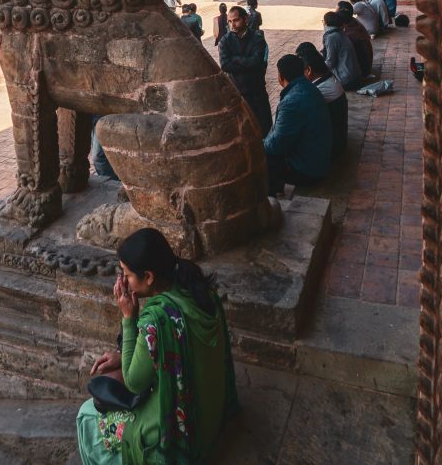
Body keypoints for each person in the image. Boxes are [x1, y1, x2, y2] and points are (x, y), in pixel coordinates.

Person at [77, 228, 238, 464]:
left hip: (182, 435)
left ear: (149, 277)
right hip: (210, 419)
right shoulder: (202, 291)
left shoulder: (157, 320)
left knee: (87, 415)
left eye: (127, 274)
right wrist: (123, 354)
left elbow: (134, 381)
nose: (124, 281)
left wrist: (129, 318)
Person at [263, 54, 332, 194]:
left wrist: (260, 144)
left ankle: (271, 196)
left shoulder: (291, 102)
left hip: (307, 171)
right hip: (319, 161)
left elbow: (277, 145)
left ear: (280, 77)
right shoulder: (310, 88)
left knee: (262, 156)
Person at [218, 6, 272, 134]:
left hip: (257, 93)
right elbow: (225, 65)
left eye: (236, 20)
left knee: (264, 130)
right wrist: (247, 61)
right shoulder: (225, 41)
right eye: (230, 21)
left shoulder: (257, 38)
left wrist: (235, 59)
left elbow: (257, 62)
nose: (233, 25)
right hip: (238, 94)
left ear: (245, 19)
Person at [296, 42, 348, 158]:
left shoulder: (318, 90)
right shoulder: (328, 77)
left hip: (331, 147)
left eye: (301, 71)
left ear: (309, 70)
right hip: (338, 139)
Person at [321, 11, 362, 90]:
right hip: (355, 77)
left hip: (346, 81)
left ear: (326, 23)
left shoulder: (331, 37)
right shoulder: (339, 32)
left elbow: (330, 63)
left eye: (323, 21)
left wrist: (318, 69)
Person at [336, 1, 373, 77]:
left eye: (336, 11)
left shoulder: (350, 33)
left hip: (361, 71)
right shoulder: (353, 21)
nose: (335, 14)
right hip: (365, 66)